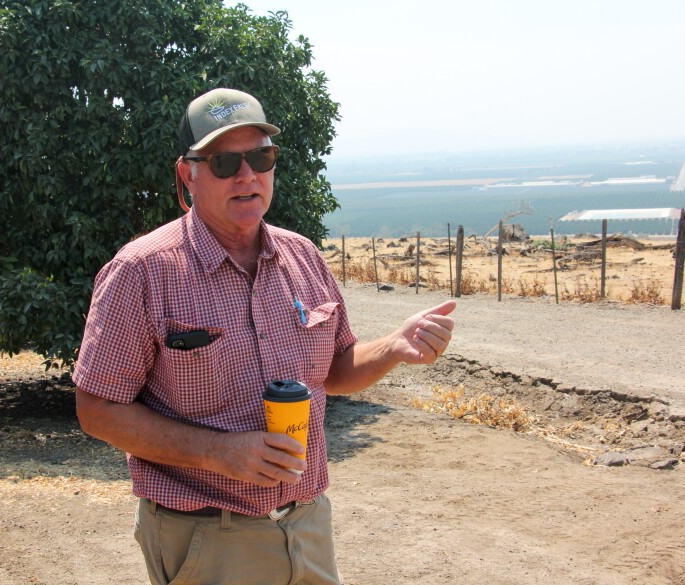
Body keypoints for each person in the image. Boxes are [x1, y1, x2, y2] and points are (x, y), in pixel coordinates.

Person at [73, 87, 456, 585]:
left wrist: (393, 347)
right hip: (207, 540)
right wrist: (219, 451)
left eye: (261, 156)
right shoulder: (142, 271)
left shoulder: (303, 257)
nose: (248, 175)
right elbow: (97, 409)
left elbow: (335, 371)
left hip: (307, 524)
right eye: (225, 163)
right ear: (187, 174)